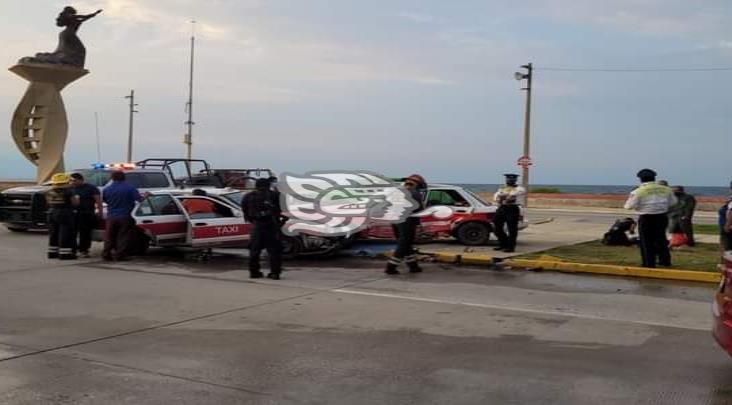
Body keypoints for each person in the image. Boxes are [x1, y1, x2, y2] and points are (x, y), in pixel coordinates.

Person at [624, 169, 677, 268]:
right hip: (661, 217)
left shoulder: (638, 191)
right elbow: (673, 203)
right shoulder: (666, 189)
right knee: (661, 239)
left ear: (640, 179)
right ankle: (665, 261)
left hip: (646, 218)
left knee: (646, 241)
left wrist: (640, 207)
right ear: (654, 178)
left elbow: (628, 206)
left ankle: (649, 263)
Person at [242, 178, 283, 279]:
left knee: (254, 251)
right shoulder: (275, 195)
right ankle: (275, 273)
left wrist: (253, 221)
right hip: (271, 226)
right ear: (269, 185)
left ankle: (254, 272)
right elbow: (282, 210)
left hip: (257, 226)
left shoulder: (248, 196)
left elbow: (245, 211)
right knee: (274, 251)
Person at [386, 174, 427, 275]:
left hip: (395, 221)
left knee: (406, 244)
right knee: (404, 244)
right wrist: (418, 223)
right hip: (407, 221)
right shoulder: (415, 193)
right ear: (418, 184)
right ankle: (391, 267)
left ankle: (413, 266)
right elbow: (419, 210)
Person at [102, 171, 145, 261]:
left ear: (112, 178)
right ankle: (120, 255)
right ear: (124, 177)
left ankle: (106, 254)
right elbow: (139, 199)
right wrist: (147, 195)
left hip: (111, 216)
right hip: (125, 216)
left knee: (109, 236)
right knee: (123, 236)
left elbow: (105, 200)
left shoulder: (107, 189)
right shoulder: (130, 188)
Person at [45, 173, 80, 259]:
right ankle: (65, 254)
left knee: (53, 233)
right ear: (65, 182)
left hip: (52, 213)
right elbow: (75, 203)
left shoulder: (49, 192)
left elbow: (48, 203)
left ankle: (52, 253)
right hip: (65, 213)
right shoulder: (69, 191)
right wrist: (77, 198)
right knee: (65, 234)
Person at [70, 173, 103, 257]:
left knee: (85, 233)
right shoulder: (71, 188)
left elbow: (98, 201)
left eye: (74, 180)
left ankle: (84, 250)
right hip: (73, 214)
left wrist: (100, 212)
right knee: (72, 233)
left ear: (80, 180)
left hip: (87, 214)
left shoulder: (91, 188)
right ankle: (73, 249)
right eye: (71, 180)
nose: (72, 182)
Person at [492, 173, 526, 253]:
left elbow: (514, 193)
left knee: (512, 229)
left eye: (512, 179)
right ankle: (503, 244)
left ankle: (511, 247)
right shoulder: (502, 188)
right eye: (508, 179)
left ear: (515, 180)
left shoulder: (519, 188)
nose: (510, 180)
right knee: (496, 226)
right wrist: (501, 197)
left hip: (512, 208)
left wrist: (504, 195)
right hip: (502, 208)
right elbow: (496, 196)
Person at [720, 181, 732, 251]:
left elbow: (731, 212)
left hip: (729, 228)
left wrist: (727, 225)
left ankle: (727, 261)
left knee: (727, 248)